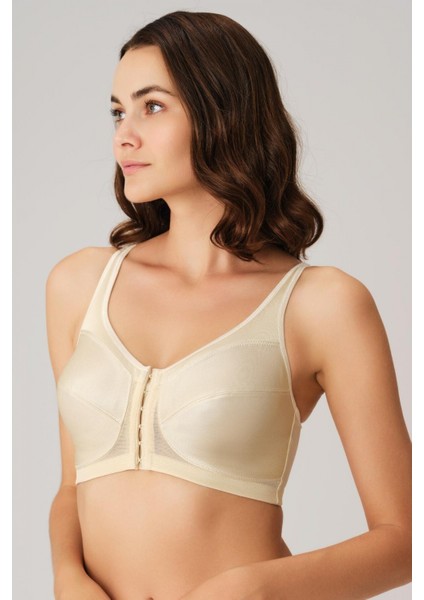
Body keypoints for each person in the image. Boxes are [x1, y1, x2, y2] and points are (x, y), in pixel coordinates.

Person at [45, 10, 412, 600]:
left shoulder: (321, 305)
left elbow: (406, 539)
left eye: (152, 106)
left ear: (222, 112)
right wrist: (68, 580)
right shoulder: (80, 284)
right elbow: (72, 487)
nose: (123, 136)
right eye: (117, 112)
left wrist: (251, 589)